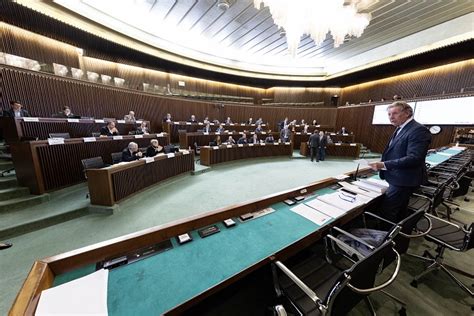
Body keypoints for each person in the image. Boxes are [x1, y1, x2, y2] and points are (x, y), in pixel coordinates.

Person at [368, 101, 431, 222]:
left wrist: (384, 165)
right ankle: (400, 236)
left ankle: (385, 237)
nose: (391, 117)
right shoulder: (401, 128)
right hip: (397, 177)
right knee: (399, 210)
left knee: (388, 212)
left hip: (403, 180)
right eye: (389, 114)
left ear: (407, 113)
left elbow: (414, 158)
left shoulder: (418, 130)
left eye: (395, 113)